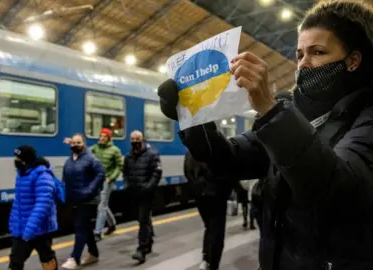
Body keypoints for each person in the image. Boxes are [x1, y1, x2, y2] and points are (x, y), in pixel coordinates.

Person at [157, 1, 373, 269]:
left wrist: (272, 112)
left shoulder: (366, 116)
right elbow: (229, 158)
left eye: (317, 52)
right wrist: (192, 118)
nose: (304, 64)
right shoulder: (294, 112)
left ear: (353, 60)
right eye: (299, 54)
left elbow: (338, 189)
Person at [8, 145, 65, 270]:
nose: (15, 160)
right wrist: (14, 223)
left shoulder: (42, 175)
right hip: (23, 227)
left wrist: (29, 230)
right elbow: (18, 202)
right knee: (15, 261)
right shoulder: (22, 173)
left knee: (47, 258)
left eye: (18, 157)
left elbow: (41, 206)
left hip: (40, 228)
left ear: (26, 159)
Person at [61, 134, 105, 269]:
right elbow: (65, 177)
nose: (75, 145)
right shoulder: (70, 160)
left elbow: (101, 174)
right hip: (74, 198)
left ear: (84, 144)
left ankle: (74, 257)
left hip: (88, 200)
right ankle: (93, 253)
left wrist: (89, 190)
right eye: (73, 143)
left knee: (80, 227)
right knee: (85, 227)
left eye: (78, 143)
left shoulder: (90, 158)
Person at [184, 151, 232, 270]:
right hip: (217, 196)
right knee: (217, 233)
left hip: (200, 197)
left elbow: (187, 172)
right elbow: (228, 173)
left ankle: (205, 259)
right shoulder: (217, 148)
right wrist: (227, 192)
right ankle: (213, 265)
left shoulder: (190, 152)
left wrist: (197, 190)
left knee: (209, 227)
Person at [123, 130, 162, 263]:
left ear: (143, 139)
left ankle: (141, 250)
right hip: (134, 193)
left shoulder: (152, 154)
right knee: (143, 219)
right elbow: (125, 172)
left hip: (147, 194)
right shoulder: (129, 156)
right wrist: (127, 184)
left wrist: (148, 187)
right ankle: (149, 241)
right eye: (132, 139)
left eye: (137, 139)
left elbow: (157, 173)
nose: (134, 142)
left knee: (143, 219)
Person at [90, 128, 123, 241]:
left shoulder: (115, 150)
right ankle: (112, 224)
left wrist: (111, 178)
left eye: (104, 136)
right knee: (102, 204)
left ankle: (97, 232)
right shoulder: (95, 148)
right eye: (101, 136)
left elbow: (119, 166)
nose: (102, 138)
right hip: (96, 180)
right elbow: (85, 153)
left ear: (109, 138)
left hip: (106, 180)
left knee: (101, 206)